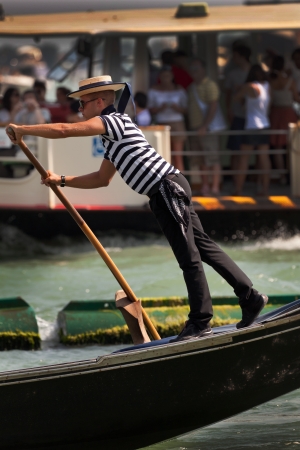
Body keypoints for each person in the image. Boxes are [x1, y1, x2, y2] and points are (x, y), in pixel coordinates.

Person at [6, 74, 268, 342]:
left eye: (82, 104)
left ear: (99, 102)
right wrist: (61, 180)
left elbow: (64, 130)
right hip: (169, 189)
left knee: (189, 259)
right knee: (204, 248)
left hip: (166, 190)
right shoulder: (112, 136)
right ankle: (250, 297)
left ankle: (201, 321)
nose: (80, 111)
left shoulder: (112, 122)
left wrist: (24, 129)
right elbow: (101, 180)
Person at [234, 64, 271, 196]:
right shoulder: (267, 86)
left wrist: (240, 88)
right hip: (265, 124)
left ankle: (238, 189)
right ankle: (265, 189)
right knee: (264, 158)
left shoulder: (250, 86)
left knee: (244, 159)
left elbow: (236, 98)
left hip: (251, 125)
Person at [188, 58, 222, 196]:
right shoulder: (191, 87)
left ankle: (215, 187)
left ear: (203, 70)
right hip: (195, 128)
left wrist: (204, 126)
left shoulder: (210, 85)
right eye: (192, 69)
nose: (194, 72)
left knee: (213, 158)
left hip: (208, 129)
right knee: (201, 159)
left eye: (196, 69)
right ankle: (205, 187)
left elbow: (213, 106)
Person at [148, 66, 187, 172]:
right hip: (161, 123)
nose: (166, 78)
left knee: (178, 156)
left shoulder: (179, 89)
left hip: (177, 123)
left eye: (168, 76)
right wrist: (160, 108)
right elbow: (150, 109)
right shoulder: (153, 90)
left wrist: (177, 108)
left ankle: (181, 186)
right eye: (164, 76)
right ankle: (167, 185)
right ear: (160, 76)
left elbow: (186, 109)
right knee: (164, 155)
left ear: (172, 76)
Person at [269, 55, 300, 184]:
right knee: (291, 145)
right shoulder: (290, 81)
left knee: (277, 146)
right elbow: (297, 98)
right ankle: (292, 176)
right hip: (288, 113)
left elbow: (269, 101)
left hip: (275, 113)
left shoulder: (271, 82)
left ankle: (282, 176)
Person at [224, 45, 251, 177]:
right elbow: (228, 94)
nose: (233, 59)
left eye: (235, 56)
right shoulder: (232, 74)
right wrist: (229, 110)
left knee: (255, 149)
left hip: (252, 117)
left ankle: (254, 178)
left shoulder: (254, 72)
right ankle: (235, 178)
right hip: (237, 115)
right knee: (235, 148)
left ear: (242, 56)